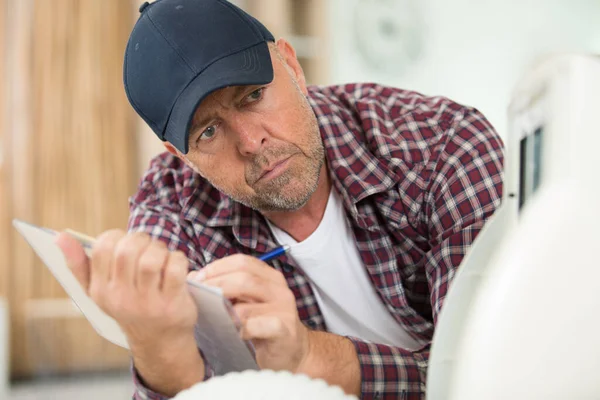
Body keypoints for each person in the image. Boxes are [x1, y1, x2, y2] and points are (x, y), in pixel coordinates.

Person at [56, 0, 504, 399]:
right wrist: (161, 352)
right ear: (181, 155)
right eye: (208, 131)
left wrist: (308, 359)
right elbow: (183, 381)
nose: (251, 142)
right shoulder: (171, 202)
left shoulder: (441, 146)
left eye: (253, 95)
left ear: (292, 65)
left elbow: (490, 375)